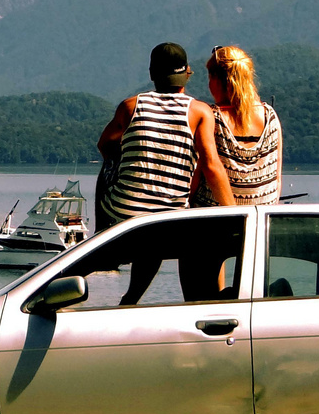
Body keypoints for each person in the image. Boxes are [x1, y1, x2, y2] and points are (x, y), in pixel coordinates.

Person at [95, 42, 234, 304]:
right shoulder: (200, 111)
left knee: (111, 171)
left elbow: (104, 145)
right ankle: (132, 296)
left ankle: (100, 234)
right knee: (158, 217)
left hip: (122, 212)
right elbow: (212, 166)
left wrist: (124, 157)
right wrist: (235, 215)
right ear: (186, 76)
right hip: (169, 218)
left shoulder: (130, 106)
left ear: (152, 74)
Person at [195, 45, 283, 206]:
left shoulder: (211, 117)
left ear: (216, 80)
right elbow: (276, 179)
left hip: (214, 216)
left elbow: (198, 173)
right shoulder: (270, 116)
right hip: (260, 215)